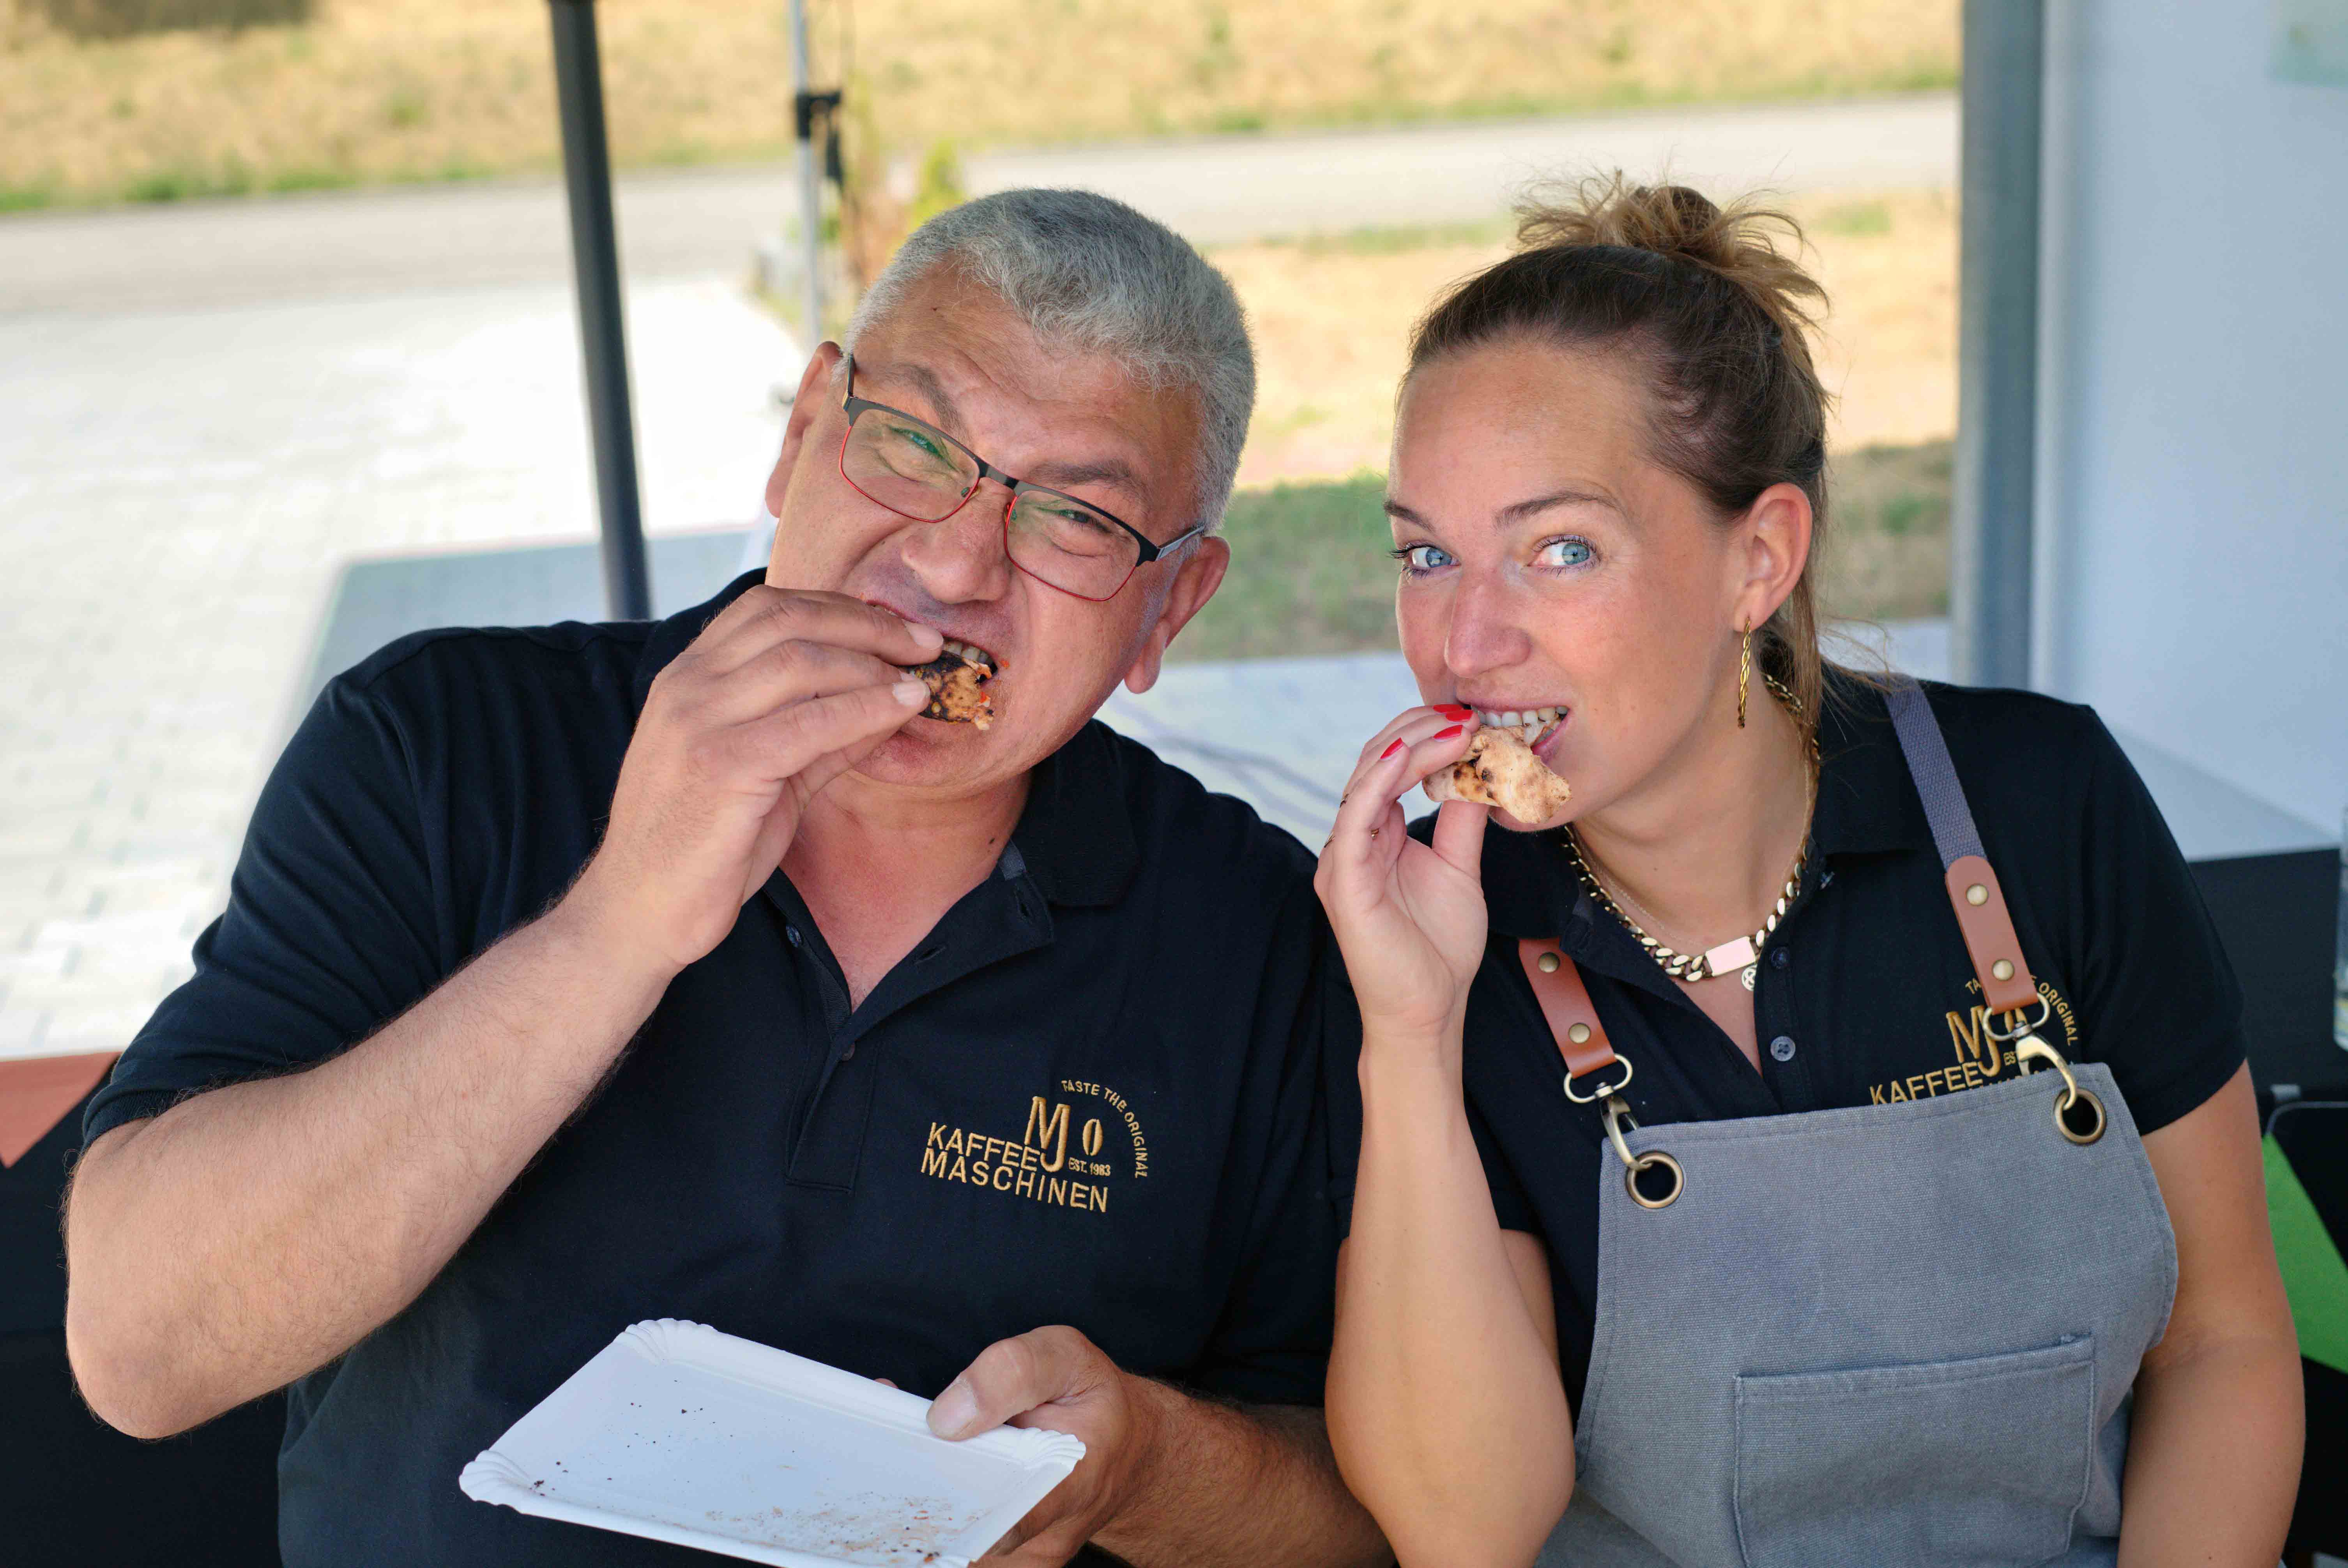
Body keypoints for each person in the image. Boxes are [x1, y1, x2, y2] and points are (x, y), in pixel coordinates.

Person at [64, 189, 1386, 1568]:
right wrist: (617, 927)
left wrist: (1148, 1468)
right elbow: (143, 1351)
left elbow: (1369, 1520)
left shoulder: (1254, 935)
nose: (950, 563)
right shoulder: (442, 743)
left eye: (1072, 521)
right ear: (806, 429)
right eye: (915, 446)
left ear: (1169, 606)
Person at [1314, 177, 2304, 1566]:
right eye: (1427, 553)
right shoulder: (1446, 933)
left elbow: (2224, 1344)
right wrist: (1409, 1036)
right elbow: (1463, 1524)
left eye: (1561, 549)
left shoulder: (2038, 805)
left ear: (1759, 557)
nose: (1464, 641)